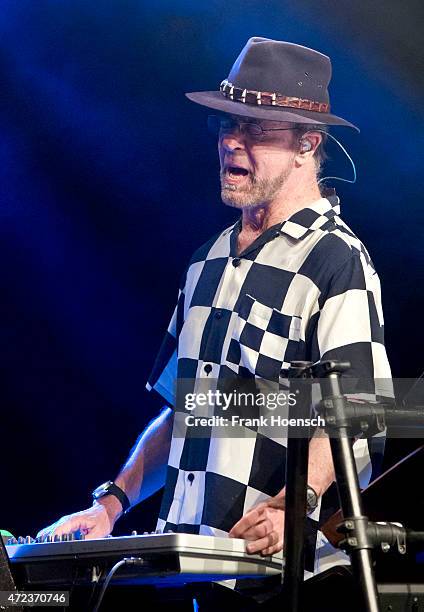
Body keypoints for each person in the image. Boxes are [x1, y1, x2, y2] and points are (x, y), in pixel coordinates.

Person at [39, 38, 391, 609]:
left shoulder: (335, 259)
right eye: (229, 124)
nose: (233, 140)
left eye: (258, 129)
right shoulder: (206, 261)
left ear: (308, 144)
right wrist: (110, 503)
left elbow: (358, 416)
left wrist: (293, 504)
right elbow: (184, 410)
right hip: (200, 575)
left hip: (287, 580)